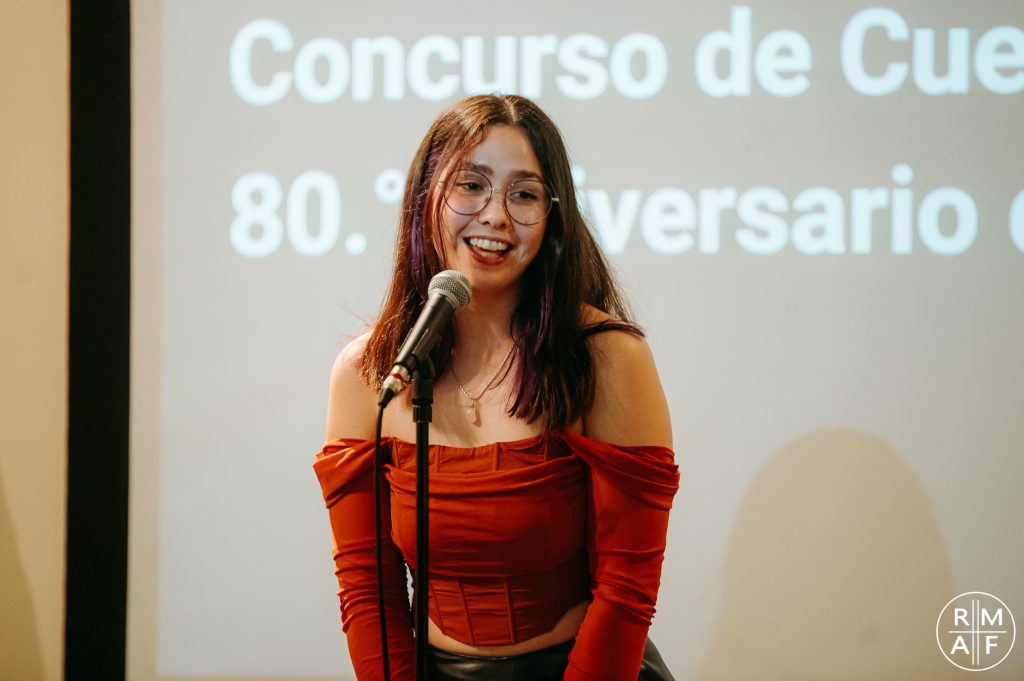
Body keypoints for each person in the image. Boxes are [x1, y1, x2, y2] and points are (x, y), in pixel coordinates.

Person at [313, 94, 679, 681]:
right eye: (471, 186)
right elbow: (368, 590)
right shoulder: (371, 371)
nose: (495, 216)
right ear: (425, 199)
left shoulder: (607, 357)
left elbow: (626, 589)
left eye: (524, 194)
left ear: (553, 216)